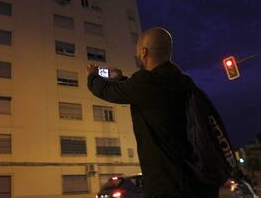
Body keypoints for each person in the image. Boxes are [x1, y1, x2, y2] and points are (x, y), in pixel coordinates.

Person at [87, 28, 219, 198]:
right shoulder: (185, 82)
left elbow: (107, 90)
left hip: (167, 185)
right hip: (198, 182)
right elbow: (147, 95)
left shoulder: (146, 81)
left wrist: (92, 76)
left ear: (144, 52)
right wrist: (121, 80)